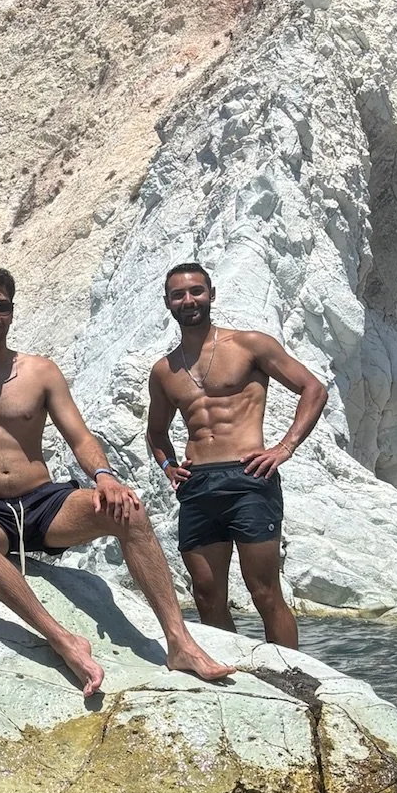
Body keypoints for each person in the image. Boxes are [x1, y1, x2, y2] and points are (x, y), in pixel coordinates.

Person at [0, 266, 234, 696]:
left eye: (1, 307)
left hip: (43, 503)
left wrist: (105, 476)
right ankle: (63, 640)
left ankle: (180, 643)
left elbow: (79, 436)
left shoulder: (40, 371)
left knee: (128, 510)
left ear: (12, 313)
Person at [146, 261, 327, 648]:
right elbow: (156, 432)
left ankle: (293, 676)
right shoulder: (164, 371)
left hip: (248, 478)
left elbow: (313, 389)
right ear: (168, 302)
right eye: (179, 294)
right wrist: (168, 466)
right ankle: (236, 677)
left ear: (211, 294)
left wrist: (284, 447)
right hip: (197, 486)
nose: (188, 299)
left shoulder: (250, 345)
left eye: (196, 291)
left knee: (264, 592)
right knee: (207, 596)